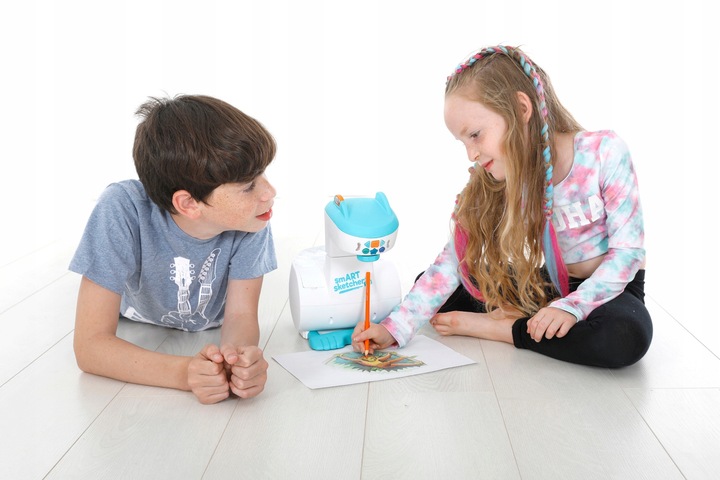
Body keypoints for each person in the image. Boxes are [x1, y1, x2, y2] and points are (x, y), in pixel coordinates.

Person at [352, 45, 652, 368]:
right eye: (463, 142)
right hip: (552, 285)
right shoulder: (502, 176)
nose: (471, 154)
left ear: (521, 109)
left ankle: (507, 329)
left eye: (475, 135)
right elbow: (453, 262)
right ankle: (538, 320)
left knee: (623, 336)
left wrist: (572, 307)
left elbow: (628, 254)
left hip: (614, 289)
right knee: (440, 285)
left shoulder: (604, 152)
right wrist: (394, 327)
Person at [70, 95, 278, 404]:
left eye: (263, 174)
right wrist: (184, 373)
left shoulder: (252, 219)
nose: (269, 192)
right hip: (133, 315)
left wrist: (237, 363)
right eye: (248, 186)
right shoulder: (122, 208)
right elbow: (89, 347)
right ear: (189, 203)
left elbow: (240, 315)